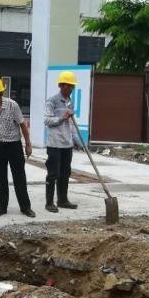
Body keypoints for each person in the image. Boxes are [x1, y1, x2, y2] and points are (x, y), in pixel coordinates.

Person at [0, 77, 35, 218]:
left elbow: (23, 125)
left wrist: (28, 144)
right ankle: (1, 206)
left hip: (14, 146)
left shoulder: (12, 105)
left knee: (19, 177)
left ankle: (25, 207)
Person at [44, 71, 82, 213]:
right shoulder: (52, 101)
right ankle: (49, 202)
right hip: (55, 143)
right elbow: (47, 120)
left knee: (65, 173)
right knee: (53, 173)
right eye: (67, 85)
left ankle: (62, 200)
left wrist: (76, 140)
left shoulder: (70, 102)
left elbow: (71, 124)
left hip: (67, 144)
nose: (70, 88)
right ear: (61, 85)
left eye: (71, 86)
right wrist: (62, 118)